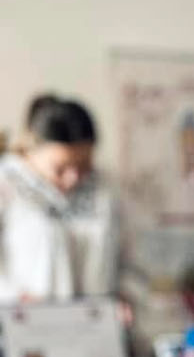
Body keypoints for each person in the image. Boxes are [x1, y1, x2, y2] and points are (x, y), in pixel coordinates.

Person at [0, 95, 124, 303]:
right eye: (60, 168)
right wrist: (13, 296)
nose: (73, 177)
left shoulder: (104, 189)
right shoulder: (7, 186)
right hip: (23, 324)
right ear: (32, 150)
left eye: (84, 165)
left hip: (94, 325)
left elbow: (129, 262)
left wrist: (125, 297)